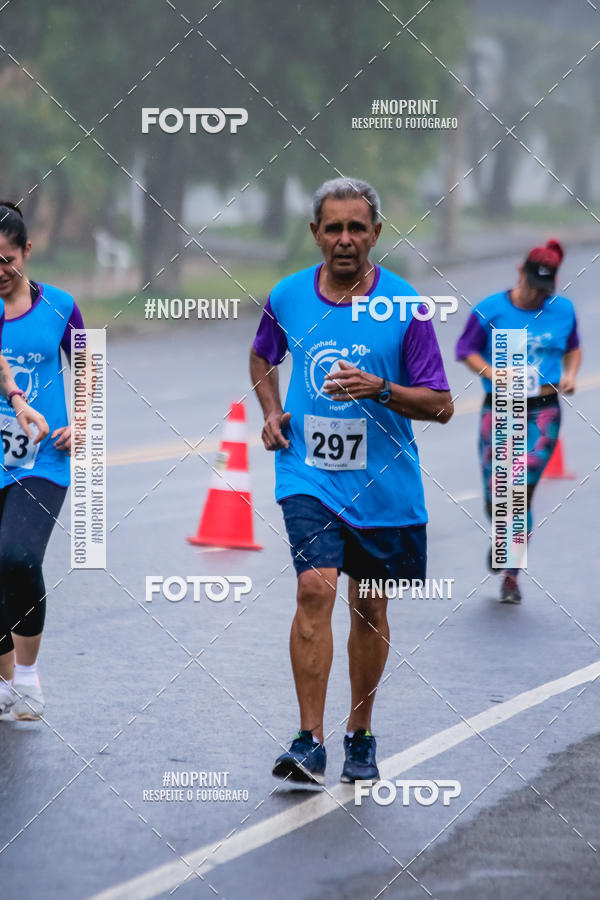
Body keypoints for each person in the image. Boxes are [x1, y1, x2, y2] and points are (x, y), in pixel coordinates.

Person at [250, 178, 453, 785]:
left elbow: (441, 404)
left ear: (376, 234)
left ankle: (359, 732)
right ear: (315, 233)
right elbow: (263, 355)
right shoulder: (287, 296)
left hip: (383, 484)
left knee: (368, 605)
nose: (344, 240)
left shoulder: (406, 306)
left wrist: (380, 389)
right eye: (333, 227)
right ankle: (308, 740)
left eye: (356, 228)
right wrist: (269, 410)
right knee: (315, 589)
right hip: (307, 473)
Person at [455, 239, 581, 604]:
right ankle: (501, 536)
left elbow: (573, 346)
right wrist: (491, 373)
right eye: (532, 286)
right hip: (500, 407)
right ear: (519, 272)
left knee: (519, 487)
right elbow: (465, 349)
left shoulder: (563, 311)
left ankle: (511, 573)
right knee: (498, 492)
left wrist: (571, 374)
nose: (537, 296)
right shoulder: (491, 309)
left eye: (545, 290)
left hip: (543, 410)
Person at [0, 201, 85, 720]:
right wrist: (15, 399)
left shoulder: (60, 305)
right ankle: (4, 679)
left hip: (42, 458)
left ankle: (27, 677)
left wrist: (83, 421)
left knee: (17, 557)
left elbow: (86, 362)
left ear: (26, 252)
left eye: (6, 259)